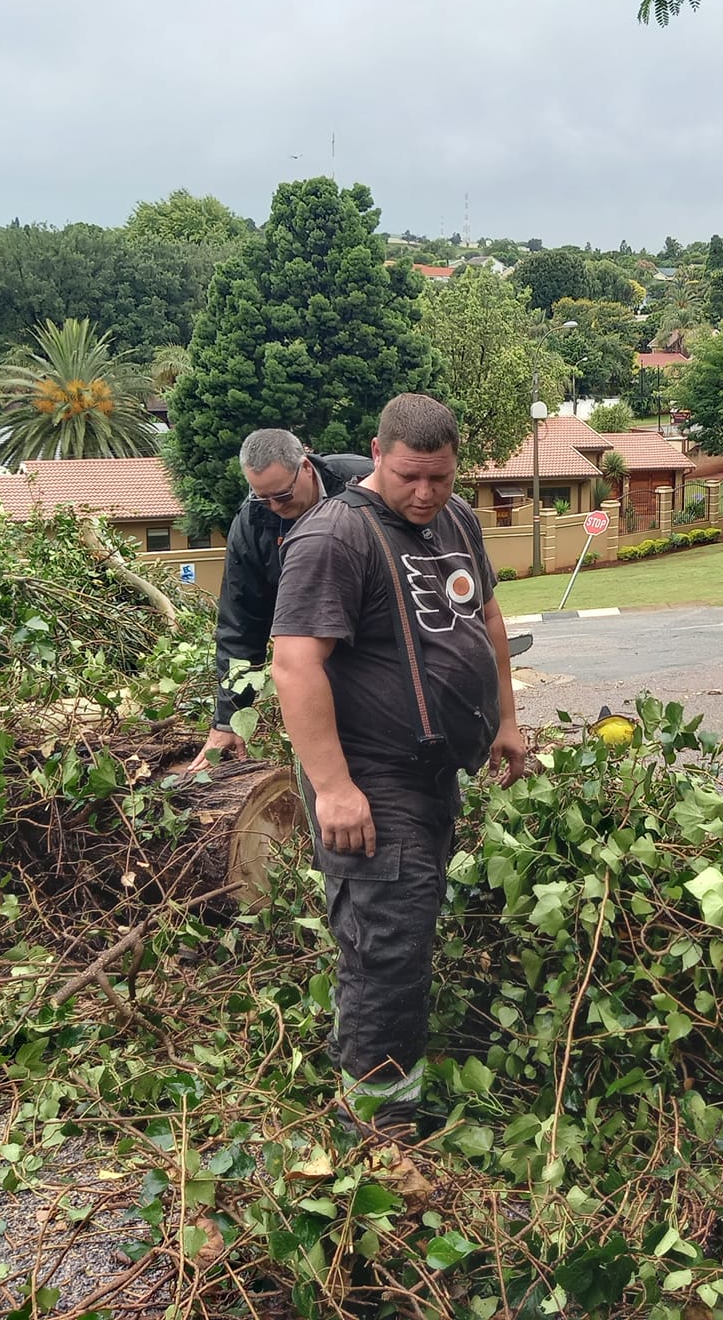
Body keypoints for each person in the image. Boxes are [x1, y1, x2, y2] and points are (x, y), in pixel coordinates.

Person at [269, 393, 527, 1138]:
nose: (425, 494)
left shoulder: (457, 519)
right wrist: (334, 788)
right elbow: (293, 666)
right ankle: (378, 1131)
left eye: (441, 478)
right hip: (371, 779)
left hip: (436, 773)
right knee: (386, 945)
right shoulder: (334, 538)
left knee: (401, 932)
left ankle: (374, 1078)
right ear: (376, 454)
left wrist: (506, 721)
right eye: (411, 476)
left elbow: (487, 618)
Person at [180, 429, 371, 772]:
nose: (275, 508)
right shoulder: (252, 521)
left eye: (282, 496)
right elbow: (241, 625)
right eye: (263, 497)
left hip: (378, 641)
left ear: (306, 466)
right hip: (318, 658)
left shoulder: (363, 481)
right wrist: (230, 718)